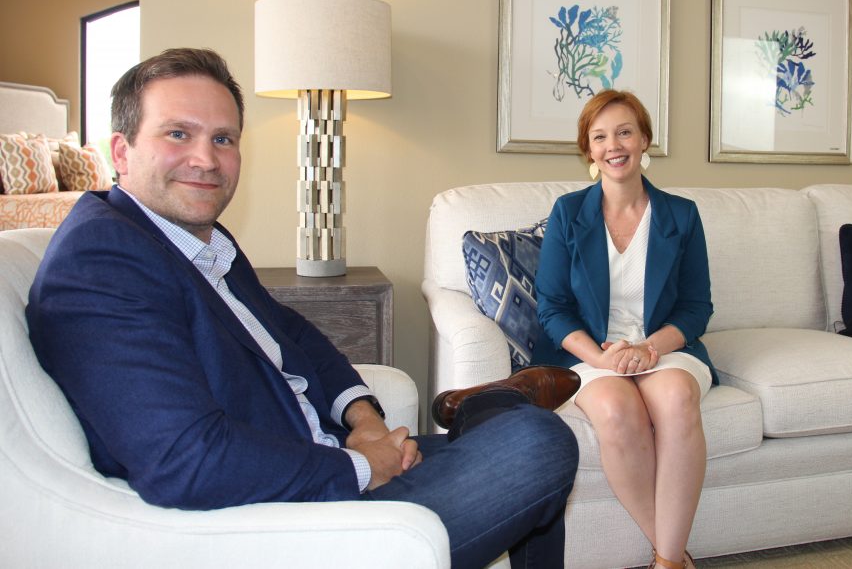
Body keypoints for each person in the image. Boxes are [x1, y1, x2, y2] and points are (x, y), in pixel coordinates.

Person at [27, 47, 581, 569]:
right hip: (289, 517)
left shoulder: (195, 241)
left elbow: (294, 335)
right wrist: (363, 466)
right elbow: (185, 461)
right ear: (121, 151)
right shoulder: (102, 260)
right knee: (538, 443)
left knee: (527, 440)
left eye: (223, 139)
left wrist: (363, 421)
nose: (206, 159)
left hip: (317, 465)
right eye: (178, 134)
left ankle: (486, 412)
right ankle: (486, 412)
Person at [532, 89, 716, 569]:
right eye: (600, 136)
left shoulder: (681, 216)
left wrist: (650, 349)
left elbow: (697, 307)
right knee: (615, 410)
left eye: (624, 131)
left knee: (676, 398)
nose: (613, 145)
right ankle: (674, 557)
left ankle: (667, 561)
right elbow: (551, 307)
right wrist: (601, 358)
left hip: (664, 347)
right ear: (589, 151)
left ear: (644, 140)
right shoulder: (569, 214)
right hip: (592, 355)